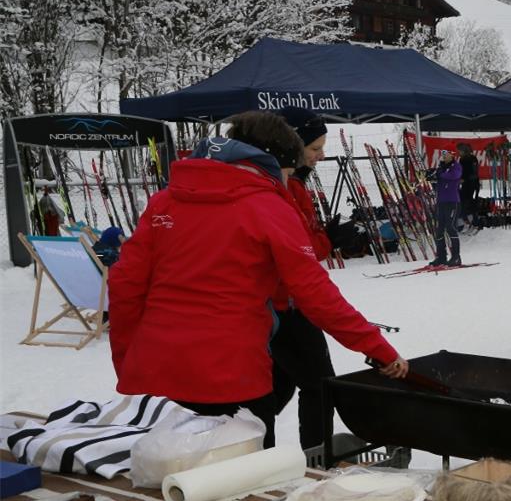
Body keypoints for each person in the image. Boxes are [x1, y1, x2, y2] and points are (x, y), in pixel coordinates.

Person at [108, 111, 407, 448]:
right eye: (288, 173)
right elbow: (316, 294)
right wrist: (379, 349)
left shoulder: (164, 202)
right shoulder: (268, 206)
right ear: (270, 163)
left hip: (157, 373)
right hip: (231, 376)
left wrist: (128, 362)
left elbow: (124, 285)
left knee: (168, 479)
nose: (287, 182)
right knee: (245, 485)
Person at [270, 107, 336, 450]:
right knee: (320, 384)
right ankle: (318, 459)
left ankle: (248, 446)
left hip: (284, 302)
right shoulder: (286, 187)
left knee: (279, 385)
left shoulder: (291, 183)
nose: (320, 156)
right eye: (314, 149)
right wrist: (327, 240)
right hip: (289, 303)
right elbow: (304, 249)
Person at [430, 148, 463, 266]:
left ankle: (456, 257)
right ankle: (441, 257)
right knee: (439, 230)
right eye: (442, 154)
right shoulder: (441, 167)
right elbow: (438, 178)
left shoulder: (456, 166)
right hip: (441, 201)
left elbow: (454, 176)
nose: (443, 156)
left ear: (452, 155)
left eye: (446, 154)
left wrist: (440, 174)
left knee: (451, 227)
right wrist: (433, 175)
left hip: (452, 201)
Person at [457, 143, 481, 228]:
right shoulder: (464, 159)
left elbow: (473, 172)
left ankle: (473, 220)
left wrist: (464, 179)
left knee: (469, 202)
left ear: (463, 150)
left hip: (471, 184)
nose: (459, 152)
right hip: (470, 184)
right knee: (468, 202)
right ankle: (469, 220)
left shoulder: (468, 159)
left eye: (459, 151)